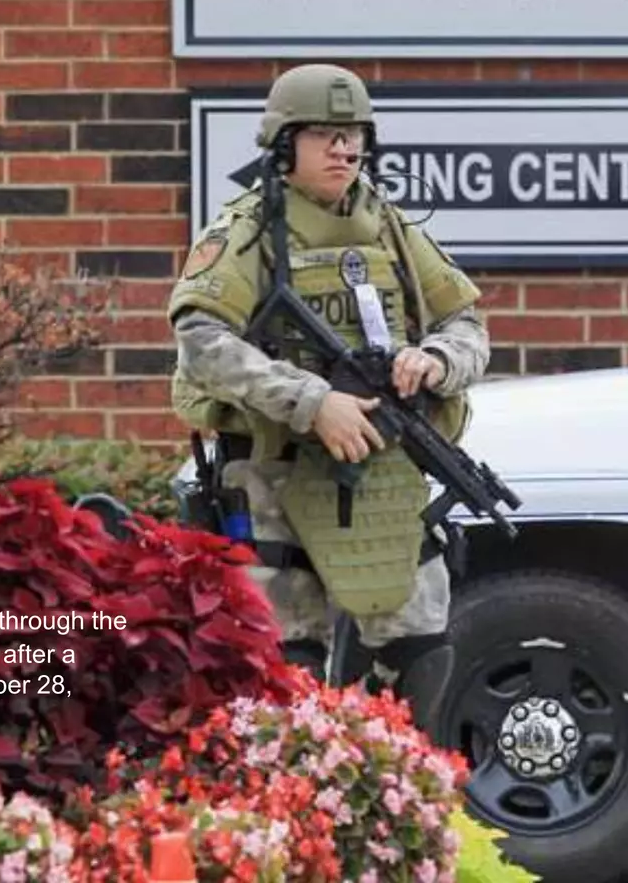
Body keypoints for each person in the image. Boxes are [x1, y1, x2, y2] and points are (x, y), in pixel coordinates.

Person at [165, 63, 491, 729]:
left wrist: (432, 361)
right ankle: (293, 808)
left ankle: (394, 791)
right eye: (323, 134)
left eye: (354, 135)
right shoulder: (247, 231)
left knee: (420, 643)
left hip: (382, 466)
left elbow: (469, 324)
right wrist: (311, 403)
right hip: (274, 472)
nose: (344, 149)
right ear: (284, 144)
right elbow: (200, 336)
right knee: (287, 663)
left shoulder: (390, 228)